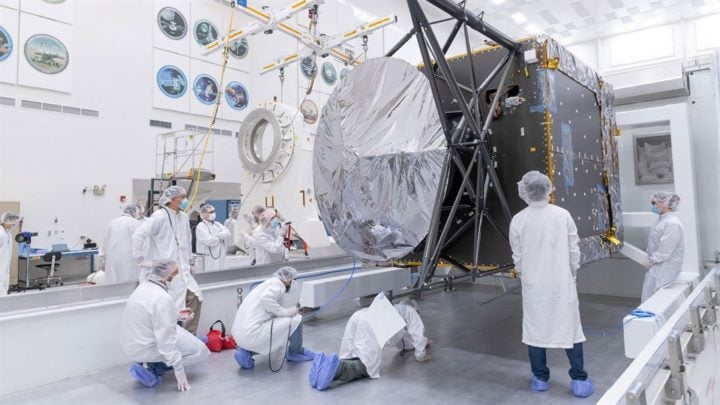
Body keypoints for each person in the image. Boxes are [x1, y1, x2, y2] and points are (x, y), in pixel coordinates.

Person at [508, 171, 593, 398]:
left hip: (534, 286)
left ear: (525, 191)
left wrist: (524, 274)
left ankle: (540, 378)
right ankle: (579, 379)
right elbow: (574, 249)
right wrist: (572, 273)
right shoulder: (562, 215)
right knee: (570, 329)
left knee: (536, 331)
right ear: (547, 189)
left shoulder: (518, 219)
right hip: (562, 282)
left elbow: (518, 257)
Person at [120, 259, 209, 391]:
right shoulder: (161, 298)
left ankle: (146, 362)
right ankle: (153, 368)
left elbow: (152, 316)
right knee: (200, 351)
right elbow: (166, 340)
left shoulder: (144, 287)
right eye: (177, 273)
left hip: (133, 343)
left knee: (187, 340)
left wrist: (176, 315)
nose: (179, 276)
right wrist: (179, 370)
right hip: (148, 346)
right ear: (168, 276)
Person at [309, 298, 431, 391]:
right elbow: (417, 333)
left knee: (350, 353)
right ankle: (336, 370)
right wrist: (421, 355)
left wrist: (418, 345)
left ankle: (323, 364)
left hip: (359, 315)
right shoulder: (411, 312)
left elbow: (402, 343)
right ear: (416, 309)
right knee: (367, 365)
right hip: (371, 322)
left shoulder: (395, 310)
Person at [132, 186, 203, 335]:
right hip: (166, 272)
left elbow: (187, 242)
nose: (185, 200)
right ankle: (172, 340)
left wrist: (190, 263)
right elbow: (138, 235)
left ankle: (189, 337)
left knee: (195, 297)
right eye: (182, 197)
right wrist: (141, 260)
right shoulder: (159, 216)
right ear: (171, 199)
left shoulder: (183, 217)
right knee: (171, 309)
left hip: (182, 269)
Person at [231, 266, 315, 369]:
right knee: (297, 319)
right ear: (288, 279)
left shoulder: (269, 283)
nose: (294, 283)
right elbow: (265, 298)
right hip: (251, 333)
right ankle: (295, 352)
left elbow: (268, 308)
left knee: (279, 335)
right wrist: (286, 312)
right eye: (294, 280)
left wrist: (284, 312)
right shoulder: (278, 285)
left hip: (240, 335)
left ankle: (246, 352)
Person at [641, 192, 684, 302]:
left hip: (665, 267)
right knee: (649, 297)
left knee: (657, 299)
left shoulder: (672, 223)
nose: (652, 206)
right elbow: (654, 242)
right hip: (657, 266)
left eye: (654, 203)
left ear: (665, 204)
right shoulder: (661, 220)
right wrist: (649, 256)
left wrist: (651, 260)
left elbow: (665, 251)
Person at [100, 203, 144, 284]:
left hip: (112, 261)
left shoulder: (112, 222)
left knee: (112, 287)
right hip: (128, 261)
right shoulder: (136, 223)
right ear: (135, 212)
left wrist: (103, 261)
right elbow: (141, 244)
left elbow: (104, 244)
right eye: (140, 214)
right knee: (127, 287)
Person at [195, 203, 231, 271]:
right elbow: (210, 241)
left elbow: (228, 233)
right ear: (204, 214)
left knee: (221, 275)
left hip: (220, 256)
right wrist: (220, 236)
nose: (213, 213)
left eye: (214, 211)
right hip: (208, 258)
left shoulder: (217, 224)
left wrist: (216, 235)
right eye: (211, 212)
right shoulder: (201, 226)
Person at [0, 212, 20, 296]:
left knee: (4, 281)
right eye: (12, 224)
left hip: (4, 263)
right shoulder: (1, 234)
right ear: (6, 222)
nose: (13, 226)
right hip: (1, 263)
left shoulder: (7, 233)